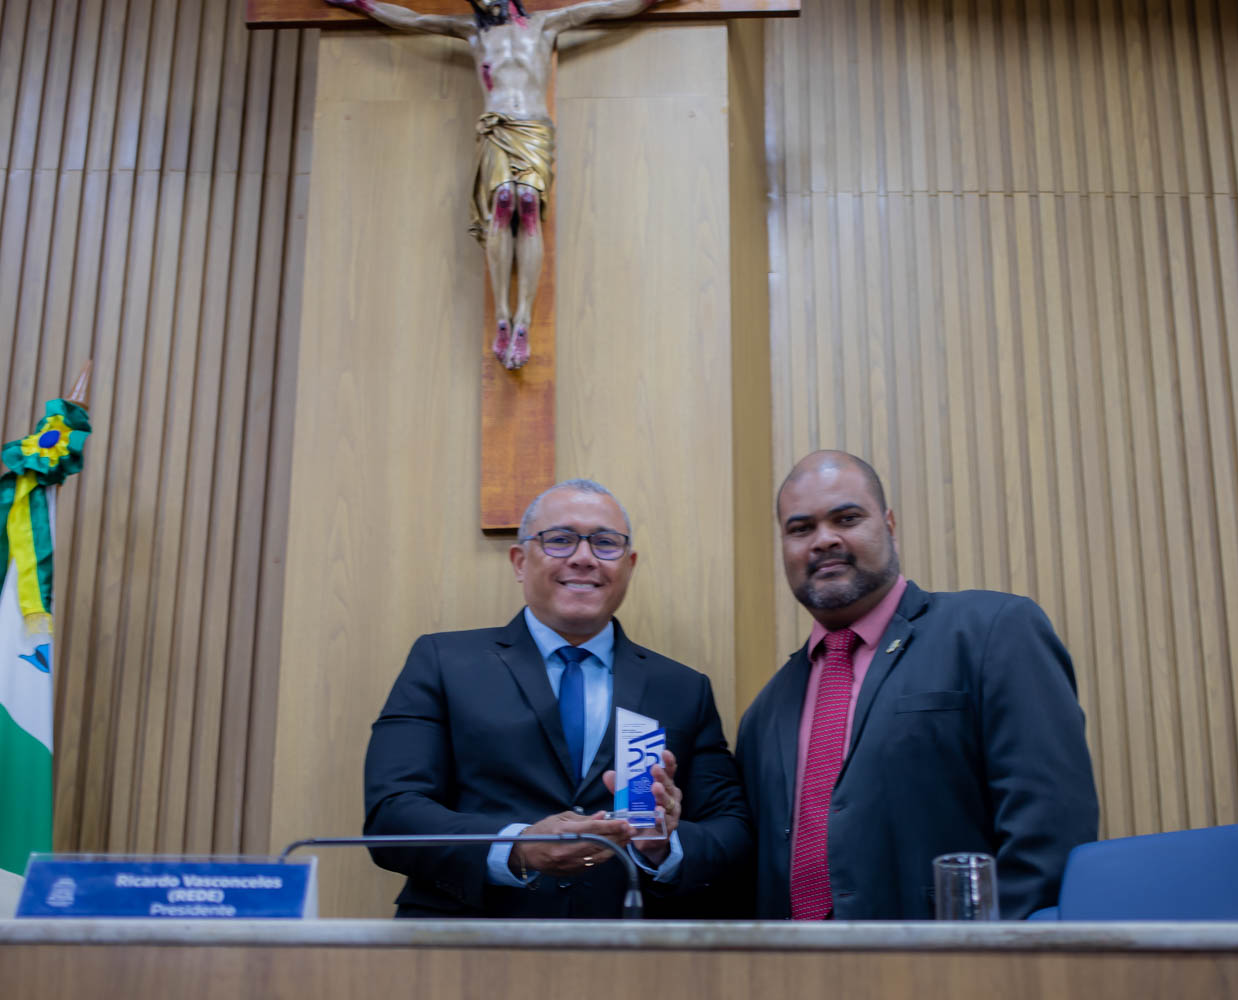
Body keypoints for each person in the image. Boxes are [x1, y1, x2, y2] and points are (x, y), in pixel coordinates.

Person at [736, 451, 1099, 920]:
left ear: (889, 525)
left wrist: (985, 966)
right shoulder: (764, 713)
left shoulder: (991, 632)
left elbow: (1050, 835)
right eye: (801, 529)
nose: (824, 540)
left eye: (846, 518)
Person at [364, 478, 750, 917]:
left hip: (627, 960)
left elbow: (732, 832)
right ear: (519, 561)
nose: (583, 558)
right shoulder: (442, 662)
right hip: (466, 952)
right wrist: (517, 847)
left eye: (606, 543)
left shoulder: (682, 687)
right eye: (560, 540)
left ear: (629, 564)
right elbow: (392, 815)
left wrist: (662, 845)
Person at [326, 0, 658, 369]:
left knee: (528, 207)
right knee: (503, 201)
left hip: (532, 130)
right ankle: (502, 315)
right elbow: (415, 19)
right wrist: (363, 4)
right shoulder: (472, 31)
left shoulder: (547, 24)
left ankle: (524, 321)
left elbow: (609, 8)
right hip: (497, 129)